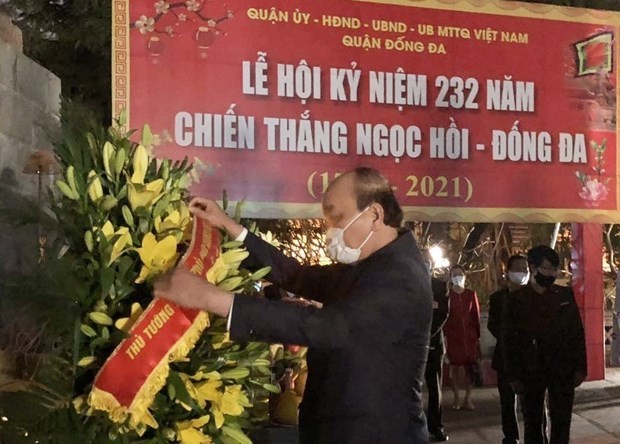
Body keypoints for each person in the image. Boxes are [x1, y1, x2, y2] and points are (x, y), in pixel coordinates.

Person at [155, 167, 433, 443]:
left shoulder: (400, 276)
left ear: (374, 215)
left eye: (337, 218)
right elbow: (298, 276)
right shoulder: (371, 263)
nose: (330, 232)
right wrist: (231, 227)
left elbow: (329, 327)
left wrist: (213, 298)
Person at [502, 245, 587, 444]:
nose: (551, 274)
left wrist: (581, 367)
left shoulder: (564, 295)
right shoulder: (516, 300)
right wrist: (512, 374)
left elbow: (577, 333)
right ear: (533, 268)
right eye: (546, 268)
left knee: (561, 422)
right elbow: (508, 339)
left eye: (554, 269)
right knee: (532, 423)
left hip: (562, 369)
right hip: (530, 370)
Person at [488, 254, 529, 444]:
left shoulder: (534, 297)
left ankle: (536, 436)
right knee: (507, 402)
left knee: (533, 403)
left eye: (525, 270)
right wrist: (509, 339)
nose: (522, 273)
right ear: (508, 272)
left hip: (530, 358)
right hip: (505, 357)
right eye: (518, 269)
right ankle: (510, 437)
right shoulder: (498, 298)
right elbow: (492, 325)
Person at [421, 250, 450, 442]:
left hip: (432, 346)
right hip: (409, 346)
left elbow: (442, 314)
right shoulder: (405, 285)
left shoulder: (439, 286)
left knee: (434, 388)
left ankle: (435, 427)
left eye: (427, 261)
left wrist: (425, 337)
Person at [443, 264, 480, 411]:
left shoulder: (470, 294)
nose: (458, 277)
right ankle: (457, 395)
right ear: (451, 277)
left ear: (465, 276)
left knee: (470, 368)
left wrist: (477, 337)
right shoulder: (447, 296)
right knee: (455, 368)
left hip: (469, 337)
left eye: (460, 274)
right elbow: (444, 318)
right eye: (454, 274)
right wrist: (445, 336)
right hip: (454, 336)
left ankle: (468, 397)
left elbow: (475, 316)